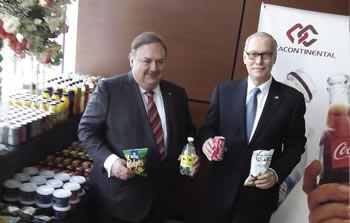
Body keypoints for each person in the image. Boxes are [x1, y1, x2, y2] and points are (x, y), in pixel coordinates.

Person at [77, 32, 198, 223]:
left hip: (161, 198)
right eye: (147, 61)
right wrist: (112, 162)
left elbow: (188, 132)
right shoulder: (109, 89)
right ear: (131, 60)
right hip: (119, 198)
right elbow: (86, 131)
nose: (154, 68)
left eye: (160, 62)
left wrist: (191, 153)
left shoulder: (176, 94)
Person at [199, 32, 307, 223]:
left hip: (258, 197)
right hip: (218, 191)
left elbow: (296, 145)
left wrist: (276, 173)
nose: (259, 60)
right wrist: (206, 141)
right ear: (244, 57)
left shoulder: (292, 100)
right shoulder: (224, 91)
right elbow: (208, 128)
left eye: (265, 54)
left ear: (274, 58)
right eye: (253, 54)